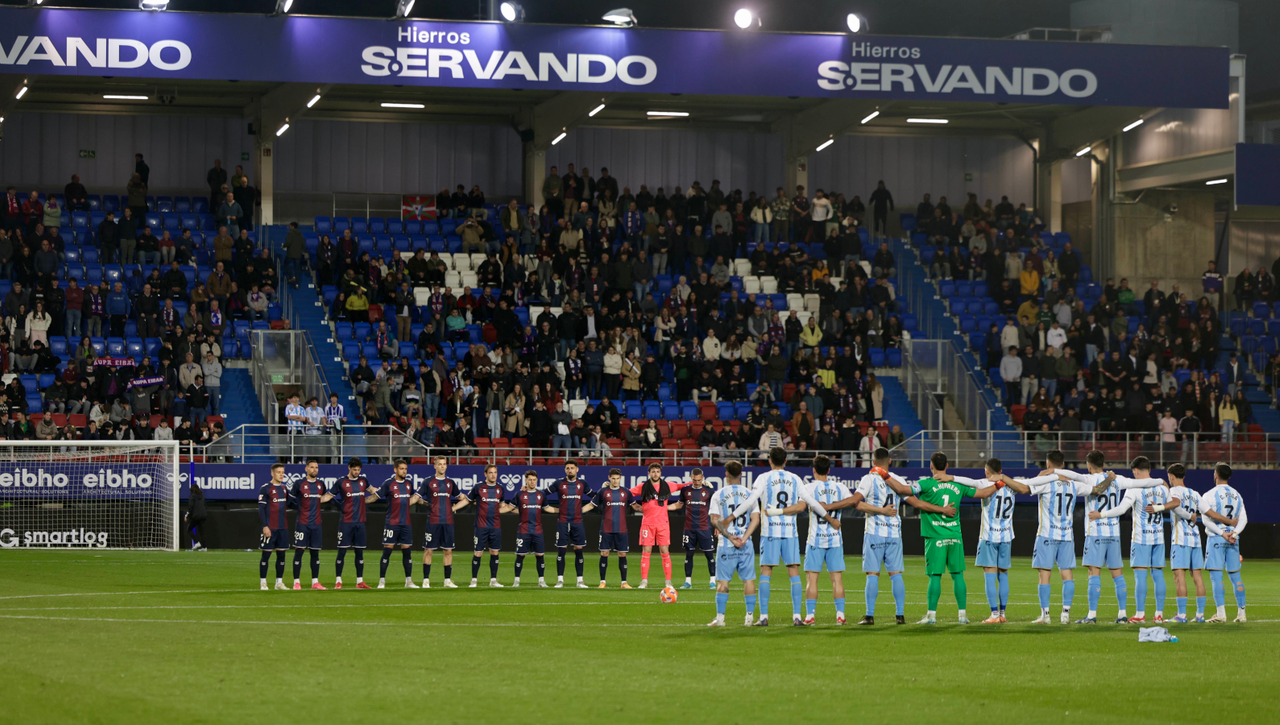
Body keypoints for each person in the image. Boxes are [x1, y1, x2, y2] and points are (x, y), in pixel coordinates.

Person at [728, 447, 839, 626]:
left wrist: (730, 517)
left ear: (769, 460)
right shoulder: (795, 479)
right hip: (789, 533)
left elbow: (750, 501)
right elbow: (812, 503)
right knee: (793, 572)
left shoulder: (763, 478)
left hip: (770, 532)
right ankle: (796, 616)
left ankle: (763, 616)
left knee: (766, 571)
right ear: (786, 461)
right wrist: (830, 519)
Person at [903, 452, 1005, 624]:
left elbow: (909, 495)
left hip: (935, 536)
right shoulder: (957, 484)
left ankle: (931, 616)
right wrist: (999, 484)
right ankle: (963, 616)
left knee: (935, 576)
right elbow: (982, 494)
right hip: (955, 536)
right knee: (958, 575)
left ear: (931, 466)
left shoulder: (925, 484)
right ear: (947, 466)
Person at [833, 448, 931, 625]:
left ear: (873, 461)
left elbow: (856, 501)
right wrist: (941, 510)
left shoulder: (868, 479)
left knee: (872, 574)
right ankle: (900, 616)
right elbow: (915, 502)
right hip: (894, 532)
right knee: (896, 574)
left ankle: (870, 616)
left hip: (874, 532)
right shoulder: (898, 480)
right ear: (890, 461)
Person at [1023, 450, 1100, 624]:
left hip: (1046, 534)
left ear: (1048, 464)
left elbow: (1026, 486)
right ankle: (1065, 614)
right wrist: (1109, 478)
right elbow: (1097, 490)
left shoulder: (1045, 482)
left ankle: (1046, 615)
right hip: (1066, 535)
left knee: (1045, 575)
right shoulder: (1074, 484)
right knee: (1067, 574)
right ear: (1063, 465)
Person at [797, 455, 852, 625]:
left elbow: (801, 507)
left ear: (814, 470)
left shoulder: (809, 488)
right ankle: (840, 615)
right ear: (829, 470)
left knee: (811, 579)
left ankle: (810, 616)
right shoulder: (840, 487)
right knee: (837, 579)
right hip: (835, 540)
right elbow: (852, 501)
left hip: (815, 540)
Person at [707, 460, 761, 627]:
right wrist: (744, 538)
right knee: (749, 581)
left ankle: (721, 619)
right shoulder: (750, 494)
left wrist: (730, 537)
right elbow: (756, 519)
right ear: (741, 474)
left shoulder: (718, 494)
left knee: (723, 582)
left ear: (726, 474)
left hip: (726, 545)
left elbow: (715, 521)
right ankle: (749, 619)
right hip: (746, 545)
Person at [1198, 463, 1247, 623]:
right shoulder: (1237, 495)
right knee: (1236, 576)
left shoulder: (1209, 495)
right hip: (1233, 539)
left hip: (1217, 538)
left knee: (1216, 576)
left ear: (1216, 475)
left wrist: (1222, 533)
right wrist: (1235, 533)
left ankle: (1221, 614)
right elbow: (1244, 518)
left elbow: (1205, 519)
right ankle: (1241, 614)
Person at [628, 463, 689, 590]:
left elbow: (682, 486)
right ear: (649, 473)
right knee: (646, 552)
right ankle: (644, 581)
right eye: (653, 471)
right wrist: (636, 506)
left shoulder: (667, 485)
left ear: (660, 473)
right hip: (647, 524)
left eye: (657, 471)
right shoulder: (643, 486)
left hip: (663, 524)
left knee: (665, 551)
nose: (655, 474)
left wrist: (699, 483)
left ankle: (668, 582)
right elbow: (627, 494)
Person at [368, 459, 422, 589]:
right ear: (395, 470)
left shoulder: (409, 484)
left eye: (405, 469)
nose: (404, 471)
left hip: (406, 523)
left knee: (407, 552)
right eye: (402, 469)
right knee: (387, 551)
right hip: (392, 522)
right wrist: (360, 502)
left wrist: (429, 504)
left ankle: (409, 581)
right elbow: (375, 497)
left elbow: (416, 499)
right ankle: (381, 581)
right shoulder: (388, 484)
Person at [462, 464, 517, 588]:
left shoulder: (501, 488)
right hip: (481, 525)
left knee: (495, 552)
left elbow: (503, 506)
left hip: (496, 526)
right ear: (485, 474)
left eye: (495, 472)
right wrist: (453, 508)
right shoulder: (478, 487)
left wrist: (518, 510)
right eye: (491, 472)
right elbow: (467, 500)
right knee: (478, 553)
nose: (493, 475)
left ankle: (493, 580)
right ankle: (474, 580)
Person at [418, 456, 465, 588]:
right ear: (435, 466)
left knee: (448, 550)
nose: (442, 466)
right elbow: (417, 497)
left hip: (448, 521)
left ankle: (447, 581)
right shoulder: (428, 482)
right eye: (439, 464)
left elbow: (462, 498)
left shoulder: (450, 482)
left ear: (446, 466)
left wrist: (454, 508)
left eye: (444, 464)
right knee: (429, 550)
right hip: (433, 520)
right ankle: (426, 580)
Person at [328, 458, 375, 589]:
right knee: (342, 551)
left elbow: (373, 491)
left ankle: (360, 581)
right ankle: (338, 580)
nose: (357, 472)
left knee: (359, 552)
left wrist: (386, 491)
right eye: (354, 469)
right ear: (349, 468)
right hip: (346, 522)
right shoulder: (341, 482)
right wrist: (316, 499)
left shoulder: (363, 481)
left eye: (359, 470)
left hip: (360, 522)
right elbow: (329, 497)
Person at [667, 467, 716, 590]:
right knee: (689, 555)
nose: (697, 482)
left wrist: (717, 526)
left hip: (704, 528)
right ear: (691, 478)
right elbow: (679, 504)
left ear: (702, 478)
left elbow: (715, 509)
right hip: (689, 528)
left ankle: (713, 581)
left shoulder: (709, 491)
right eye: (694, 480)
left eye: (699, 480)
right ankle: (687, 582)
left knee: (709, 555)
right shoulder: (685, 491)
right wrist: (664, 508)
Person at [585, 468, 635, 588]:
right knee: (604, 553)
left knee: (622, 554)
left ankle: (624, 582)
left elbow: (636, 506)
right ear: (609, 478)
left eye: (617, 478)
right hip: (606, 528)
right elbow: (592, 505)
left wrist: (649, 510)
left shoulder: (626, 492)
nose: (615, 480)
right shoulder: (603, 491)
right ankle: (602, 581)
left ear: (620, 478)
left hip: (621, 528)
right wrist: (577, 512)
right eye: (613, 478)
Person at [544, 460, 590, 588]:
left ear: (577, 469)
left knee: (579, 550)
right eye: (568, 468)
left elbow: (595, 496)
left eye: (572, 468)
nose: (570, 470)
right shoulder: (559, 483)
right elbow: (542, 494)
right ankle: (560, 580)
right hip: (563, 521)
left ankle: (580, 581)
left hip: (577, 521)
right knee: (561, 550)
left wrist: (605, 490)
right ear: (565, 470)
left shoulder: (582, 484)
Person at [289, 458, 332, 590]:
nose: (314, 470)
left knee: (315, 553)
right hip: (302, 523)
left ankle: (315, 582)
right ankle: (296, 582)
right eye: (312, 467)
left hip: (316, 524)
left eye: (316, 467)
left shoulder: (321, 484)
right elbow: (289, 502)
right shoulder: (299, 484)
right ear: (306, 469)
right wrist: (301, 508)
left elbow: (325, 498)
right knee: (299, 551)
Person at [512, 470, 551, 588]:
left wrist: (562, 511)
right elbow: (510, 507)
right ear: (526, 480)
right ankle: (516, 581)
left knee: (540, 555)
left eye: (534, 480)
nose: (532, 482)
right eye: (530, 479)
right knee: (520, 555)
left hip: (538, 530)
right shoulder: (519, 494)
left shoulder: (541, 495)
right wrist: (496, 510)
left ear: (537, 480)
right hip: (524, 530)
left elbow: (547, 508)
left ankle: (541, 581)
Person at [257, 463, 292, 591]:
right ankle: (263, 583)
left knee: (282, 556)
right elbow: (261, 509)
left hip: (283, 528)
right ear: (272, 473)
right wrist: (265, 526)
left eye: (283, 472)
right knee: (266, 555)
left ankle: (279, 583)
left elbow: (290, 504)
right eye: (278, 472)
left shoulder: (284, 489)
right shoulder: (265, 489)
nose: (281, 474)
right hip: (271, 528)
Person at [185, 482, 208, 551]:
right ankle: (205, 547)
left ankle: (197, 542)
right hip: (203, 516)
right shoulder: (202, 496)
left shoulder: (192, 497)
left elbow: (190, 507)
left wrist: (187, 516)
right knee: (202, 532)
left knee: (189, 529)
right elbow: (205, 506)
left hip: (196, 516)